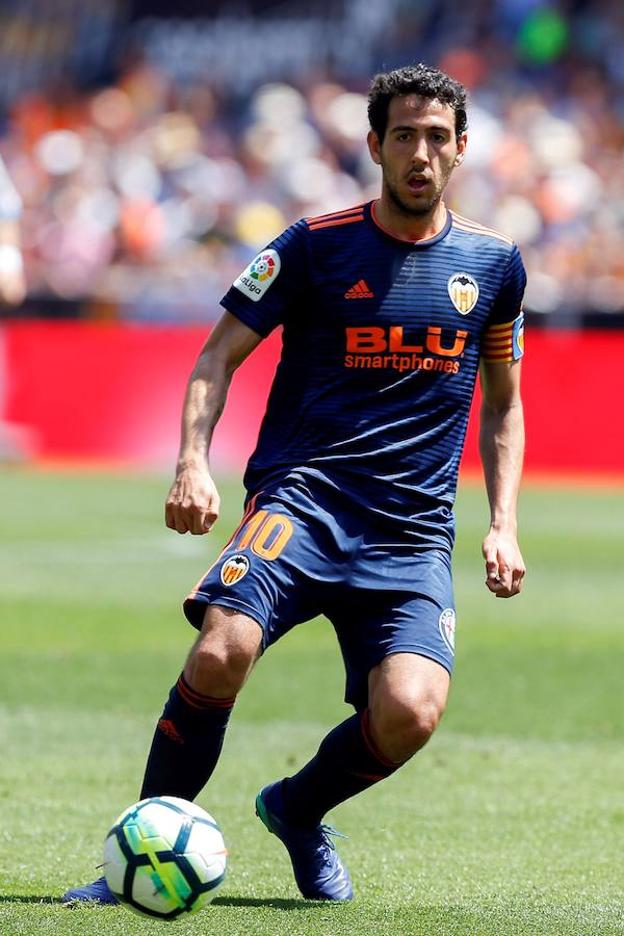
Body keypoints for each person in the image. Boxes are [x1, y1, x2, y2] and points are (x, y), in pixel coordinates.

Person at [63, 62, 526, 905]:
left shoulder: (495, 265)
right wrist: (192, 461)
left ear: (461, 149)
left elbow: (503, 408)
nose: (419, 153)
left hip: (412, 532)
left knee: (411, 713)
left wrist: (503, 523)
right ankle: (135, 849)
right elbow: (216, 357)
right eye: (403, 137)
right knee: (221, 649)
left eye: (435, 138)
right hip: (302, 504)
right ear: (375, 146)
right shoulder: (313, 243)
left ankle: (298, 809)